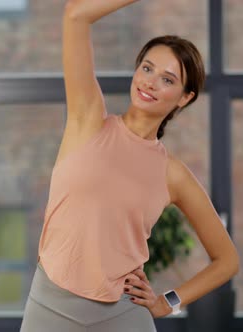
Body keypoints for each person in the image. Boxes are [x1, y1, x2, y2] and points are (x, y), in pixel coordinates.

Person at [20, 1, 239, 331]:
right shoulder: (88, 119)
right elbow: (75, 15)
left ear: (184, 97)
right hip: (50, 308)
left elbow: (228, 260)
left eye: (167, 79)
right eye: (147, 68)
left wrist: (167, 303)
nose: (150, 82)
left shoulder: (173, 174)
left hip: (122, 316)